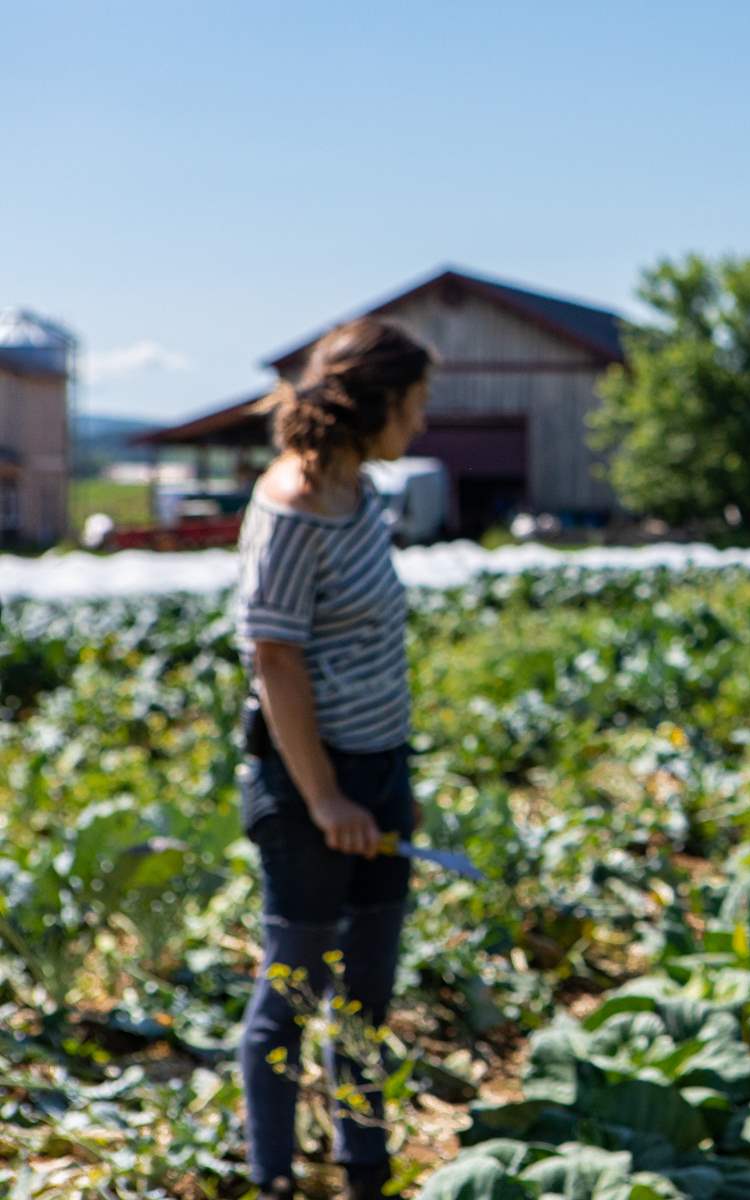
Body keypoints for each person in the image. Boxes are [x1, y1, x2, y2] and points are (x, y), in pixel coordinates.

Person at [233, 318, 434, 1200]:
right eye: (416, 403)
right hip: (308, 785)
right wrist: (324, 802)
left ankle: (364, 1172)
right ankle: (273, 1179)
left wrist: (383, 786)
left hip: (380, 772)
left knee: (366, 998)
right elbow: (273, 659)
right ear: (376, 402)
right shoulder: (289, 506)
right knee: (294, 987)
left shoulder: (360, 490)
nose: (421, 424)